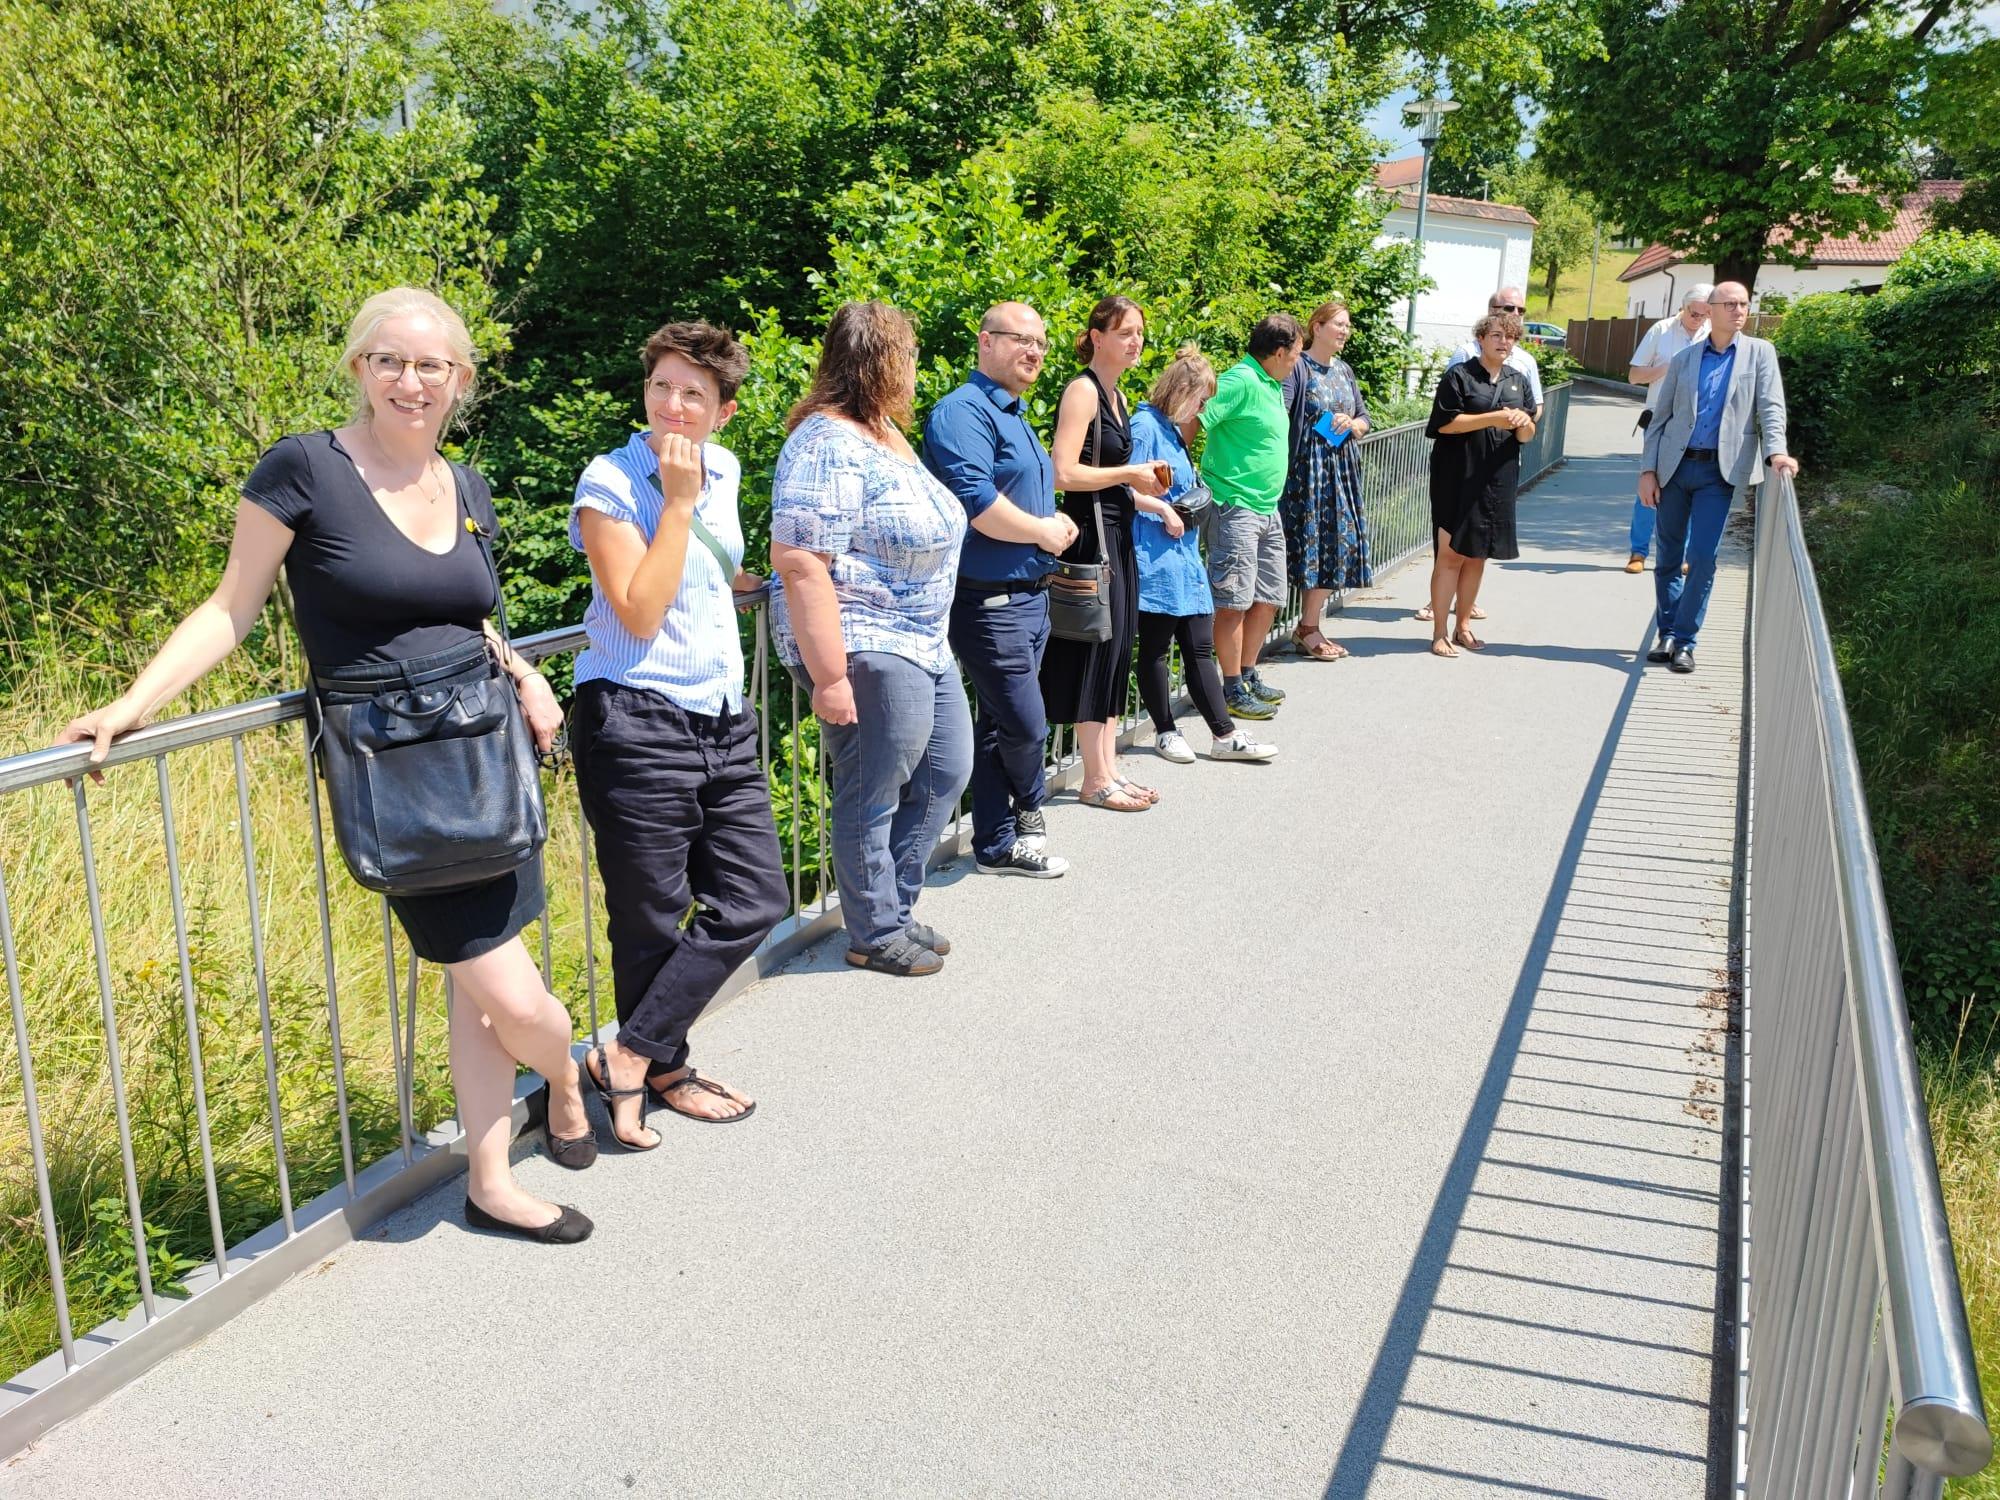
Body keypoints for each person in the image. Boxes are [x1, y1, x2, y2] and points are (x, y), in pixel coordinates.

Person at [56, 288, 594, 1244]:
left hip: (485, 756)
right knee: (516, 998)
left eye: (433, 366)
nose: (411, 380)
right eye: (391, 360)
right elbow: (231, 606)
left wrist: (526, 675)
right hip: (397, 777)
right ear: (358, 368)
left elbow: (467, 615)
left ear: (461, 382)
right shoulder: (305, 468)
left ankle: (490, 1179)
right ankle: (563, 1076)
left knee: (478, 995)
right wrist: (130, 707)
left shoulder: (465, 484)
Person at [567, 321, 788, 1149]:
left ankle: (626, 1053)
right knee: (651, 918)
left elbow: (707, 564)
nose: (673, 404)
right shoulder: (612, 481)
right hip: (636, 717)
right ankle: (662, 1070)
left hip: (722, 715)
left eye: (694, 393)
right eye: (661, 384)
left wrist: (744, 577)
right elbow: (638, 607)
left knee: (756, 896)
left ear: (723, 410)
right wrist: (679, 501)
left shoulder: (723, 466)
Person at [771, 301, 972, 975]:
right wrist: (830, 675)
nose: (916, 369)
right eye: (909, 355)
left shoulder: (882, 431)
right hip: (865, 638)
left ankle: (894, 906)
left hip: (921, 637)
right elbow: (801, 560)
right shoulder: (825, 442)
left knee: (947, 769)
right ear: (881, 362)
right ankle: (874, 931)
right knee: (873, 788)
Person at [922, 303, 1077, 877]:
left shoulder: (1015, 414)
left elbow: (1018, 495)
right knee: (1025, 722)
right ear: (986, 342)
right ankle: (1029, 813)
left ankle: (993, 843)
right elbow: (979, 504)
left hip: (1030, 595)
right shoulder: (962, 412)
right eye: (1020, 340)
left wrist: (1050, 520)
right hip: (989, 600)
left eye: (1040, 342)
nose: (1033, 351)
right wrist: (1042, 530)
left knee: (999, 723)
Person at [1041, 295, 1170, 812]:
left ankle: (1109, 768)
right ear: (1097, 338)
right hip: (1093, 541)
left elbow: (1109, 484)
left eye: (1139, 332)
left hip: (1118, 533)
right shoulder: (1084, 392)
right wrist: (1127, 474)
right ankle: (1094, 778)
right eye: (1124, 332)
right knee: (1096, 650)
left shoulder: (1116, 396)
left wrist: (1147, 499)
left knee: (1117, 651)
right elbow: (1064, 473)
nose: (1135, 341)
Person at [1638, 280, 1797, 675]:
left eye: (1743, 304)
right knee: (1668, 556)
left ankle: (1687, 640)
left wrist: (1777, 452)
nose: (1739, 310)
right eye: (1729, 304)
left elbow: (1771, 409)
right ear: (1710, 309)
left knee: (1703, 558)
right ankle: (1668, 634)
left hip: (1719, 472)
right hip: (1675, 468)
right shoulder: (1686, 359)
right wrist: (1647, 471)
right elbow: (1660, 420)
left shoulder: (1760, 354)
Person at [1129, 346, 1277, 765]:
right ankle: (1164, 729)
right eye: (1202, 399)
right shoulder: (1144, 427)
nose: (1204, 409)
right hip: (1155, 552)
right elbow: (1126, 488)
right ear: (1182, 391)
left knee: (1197, 647)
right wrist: (1162, 509)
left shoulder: (1172, 430)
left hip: (1183, 554)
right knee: (1156, 647)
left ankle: (1223, 735)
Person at [1200, 312, 1304, 722]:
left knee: (1269, 597)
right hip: (1234, 505)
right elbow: (1195, 417)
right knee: (1233, 603)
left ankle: (1246, 673)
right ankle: (1229, 688)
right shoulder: (1240, 380)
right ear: (1279, 352)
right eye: (1295, 354)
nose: (1297, 361)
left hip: (1266, 508)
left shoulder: (1273, 383)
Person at [1417, 288, 1543, 624]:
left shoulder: (1518, 380)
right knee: (1451, 555)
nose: (1505, 342)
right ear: (1481, 339)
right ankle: (1440, 632)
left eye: (1511, 337)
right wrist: (1495, 417)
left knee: (1477, 557)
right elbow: (1444, 425)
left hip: (1497, 479)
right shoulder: (1459, 376)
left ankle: (1463, 626)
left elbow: (1527, 435)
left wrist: (1522, 422)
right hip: (1456, 476)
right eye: (1497, 336)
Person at [1280, 300, 1373, 661]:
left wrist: (1352, 425)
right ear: (1316, 327)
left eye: (1347, 325)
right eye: (1338, 323)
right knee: (1304, 543)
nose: (1345, 331)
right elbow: (1282, 415)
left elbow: (1364, 417)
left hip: (1341, 470)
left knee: (1335, 543)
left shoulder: (1345, 370)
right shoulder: (1298, 367)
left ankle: (1309, 624)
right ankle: (1280, 632)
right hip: (1306, 472)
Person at [1624, 285, 1713, 573]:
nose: (1698, 319)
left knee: (1686, 488)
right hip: (1659, 420)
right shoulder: (1661, 331)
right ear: (1683, 308)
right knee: (1650, 484)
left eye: (1704, 314)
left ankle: (1681, 556)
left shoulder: (1713, 334)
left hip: (1694, 423)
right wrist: (1669, 369)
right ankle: (1638, 552)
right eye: (1694, 313)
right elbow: (1634, 375)